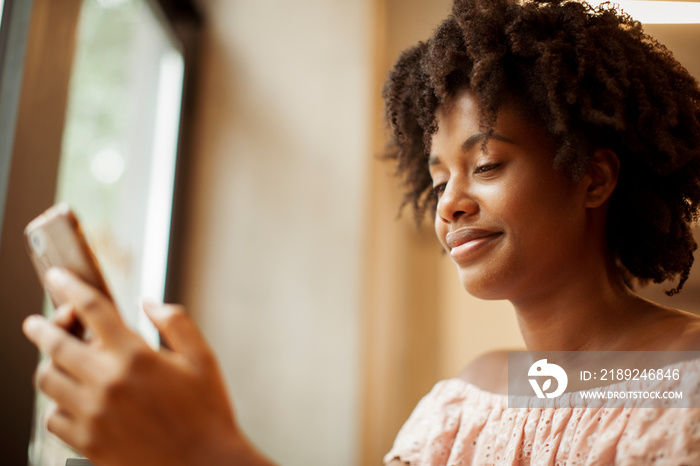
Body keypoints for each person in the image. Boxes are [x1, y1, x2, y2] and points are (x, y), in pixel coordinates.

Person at [21, 0, 700, 464]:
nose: (451, 204)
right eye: (438, 181)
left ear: (593, 178)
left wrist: (206, 450)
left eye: (486, 164)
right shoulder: (461, 404)